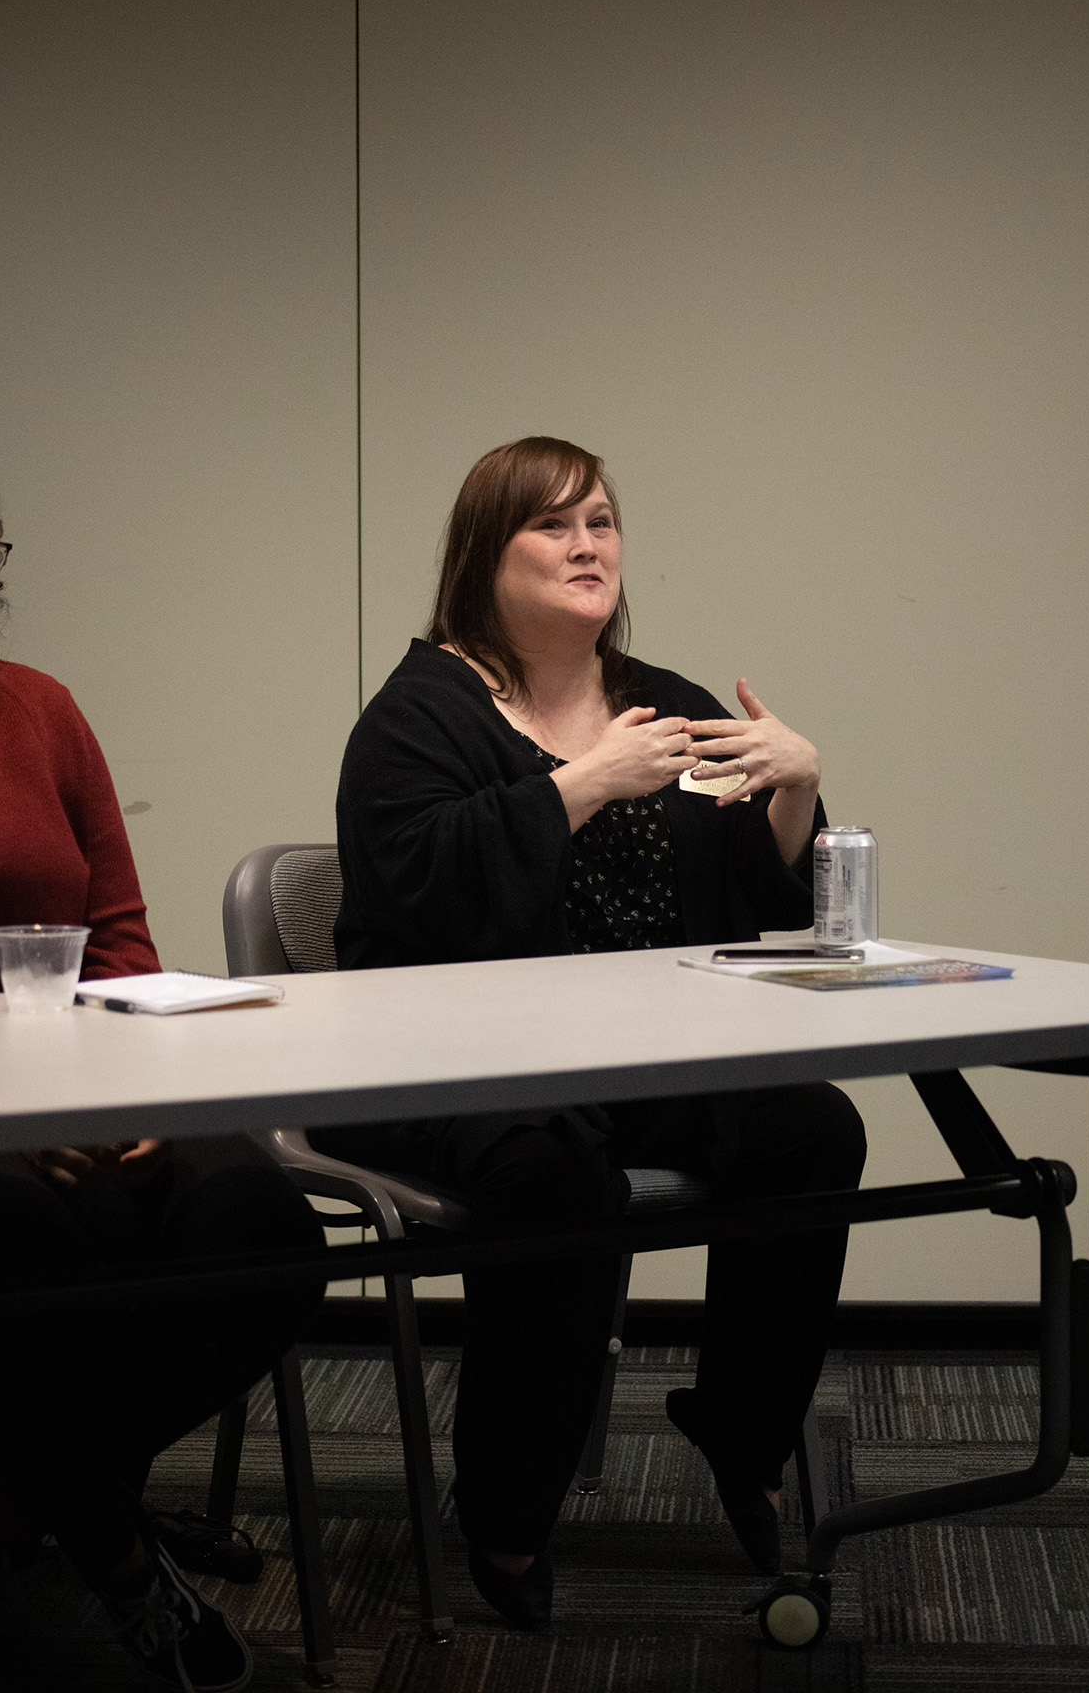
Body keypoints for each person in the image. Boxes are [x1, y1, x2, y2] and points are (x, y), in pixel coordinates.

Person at [318, 435, 868, 1630]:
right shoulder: (419, 716)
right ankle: (507, 1516)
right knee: (556, 1175)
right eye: (554, 527)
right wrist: (580, 786)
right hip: (448, 1063)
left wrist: (794, 792)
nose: (588, 548)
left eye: (603, 523)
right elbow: (412, 895)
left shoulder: (661, 703)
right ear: (485, 557)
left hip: (633, 1056)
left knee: (810, 1129)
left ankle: (740, 1428)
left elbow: (766, 904)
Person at [0, 442, 327, 1692]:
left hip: (86, 1079)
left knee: (263, 1220)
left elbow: (117, 932)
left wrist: (140, 1096)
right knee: (16, 1231)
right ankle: (114, 1555)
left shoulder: (39, 707)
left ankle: (21, 1497)